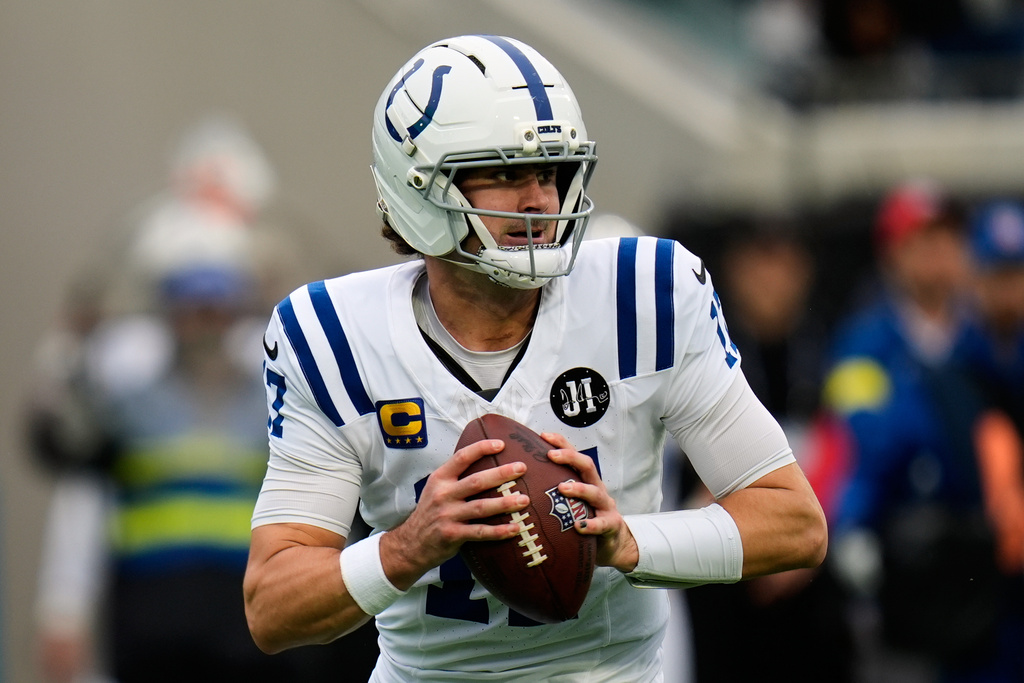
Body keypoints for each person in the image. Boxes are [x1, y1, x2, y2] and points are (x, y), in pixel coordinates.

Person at [243, 35, 827, 682]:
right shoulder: (333, 336)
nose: (539, 201)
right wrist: (408, 545)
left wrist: (629, 541)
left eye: (550, 171)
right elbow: (272, 604)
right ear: (420, 187)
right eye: (505, 172)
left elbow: (794, 521)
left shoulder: (642, 294)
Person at [28, 115, 379, 683]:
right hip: (150, 632)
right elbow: (81, 487)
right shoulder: (121, 365)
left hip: (256, 638)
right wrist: (62, 607)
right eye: (189, 303)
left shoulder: (282, 375)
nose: (204, 319)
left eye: (217, 303)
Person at [824, 180, 1004, 679]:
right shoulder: (862, 342)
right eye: (921, 241)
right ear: (892, 254)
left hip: (991, 562)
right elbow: (860, 440)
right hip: (904, 560)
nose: (937, 254)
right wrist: (852, 526)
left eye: (948, 239)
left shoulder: (988, 334)